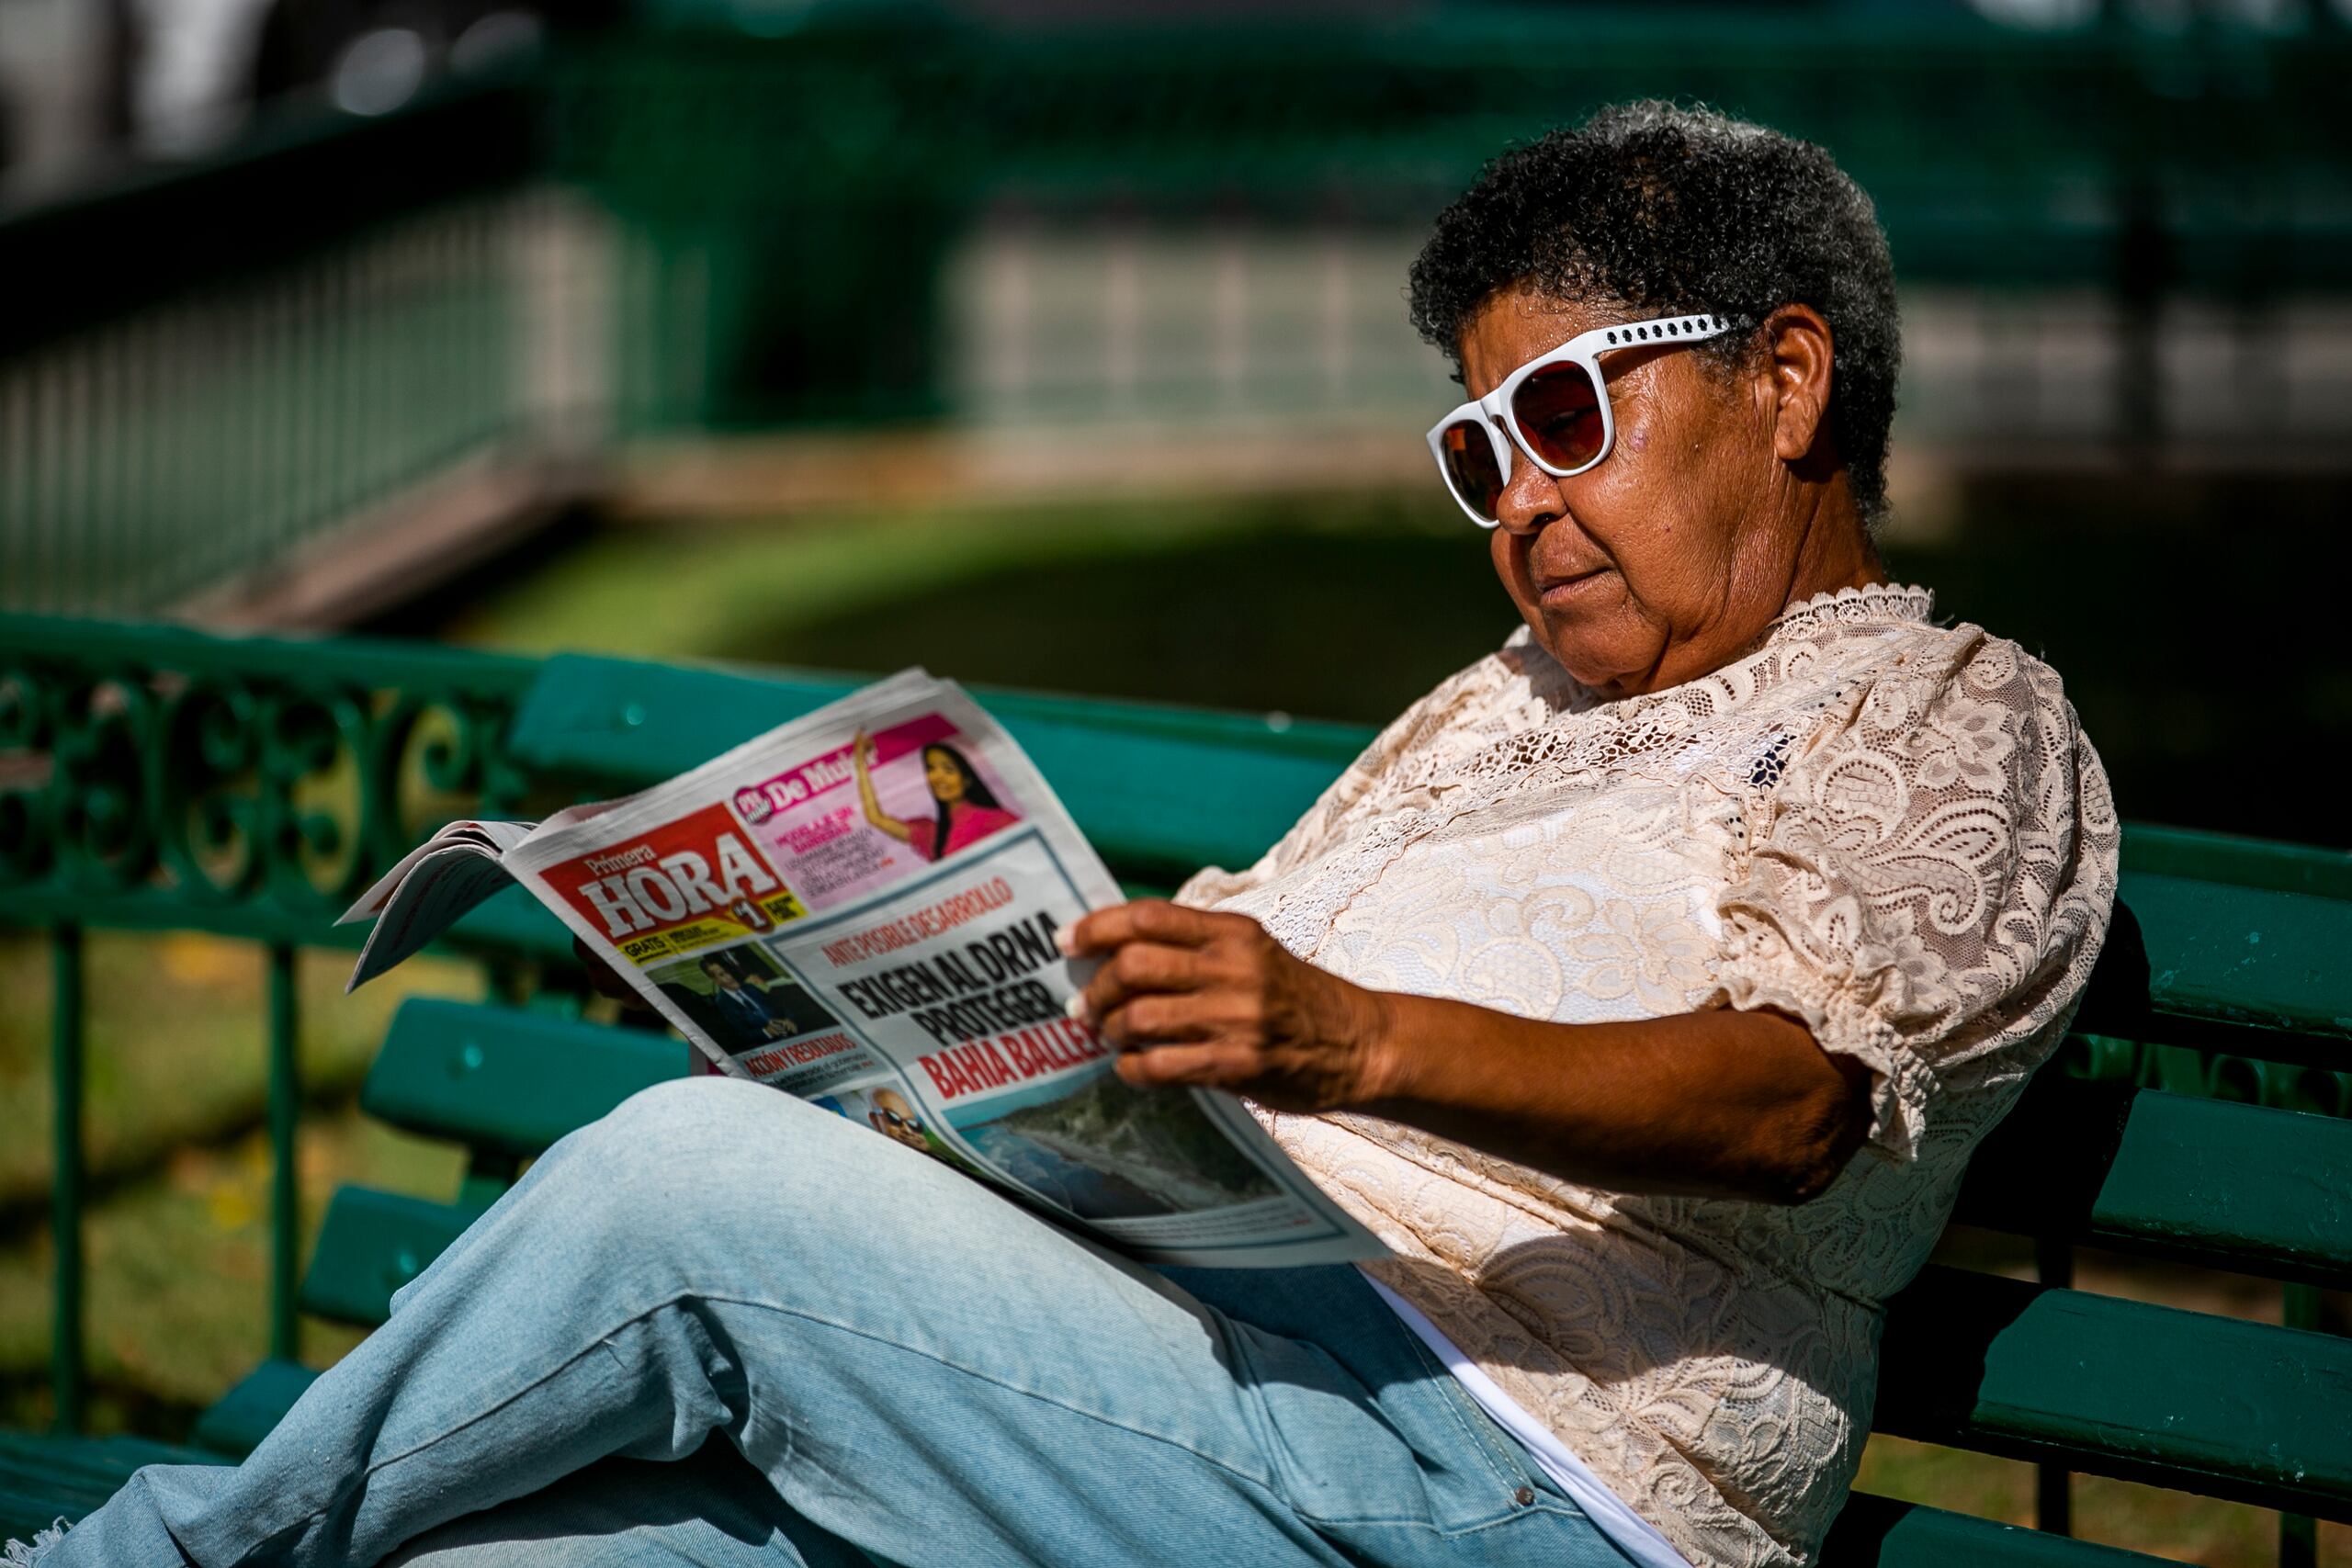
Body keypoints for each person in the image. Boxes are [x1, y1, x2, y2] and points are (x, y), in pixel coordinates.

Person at [19, 102, 2115, 1568]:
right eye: (1474, 450)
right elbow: (1225, 1036)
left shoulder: (1953, 711)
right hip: (1194, 1376)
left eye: (1559, 414)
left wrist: (1342, 1037)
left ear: (1782, 381)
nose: (1516, 499)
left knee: (684, 1181)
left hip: (1522, 1479)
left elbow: (1790, 1099)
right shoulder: (1501, 700)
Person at [852, 732, 1021, 863]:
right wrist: (860, 763)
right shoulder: (931, 834)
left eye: (948, 770)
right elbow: (876, 818)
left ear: (967, 779)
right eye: (931, 768)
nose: (938, 777)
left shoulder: (998, 819)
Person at [701, 955, 796, 1050]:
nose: (730, 977)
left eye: (728, 971)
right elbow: (739, 1035)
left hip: (790, 1033)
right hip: (768, 1046)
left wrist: (789, 1019)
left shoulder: (749, 987)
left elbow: (780, 1004)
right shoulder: (722, 1003)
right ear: (715, 980)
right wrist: (766, 1032)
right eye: (722, 975)